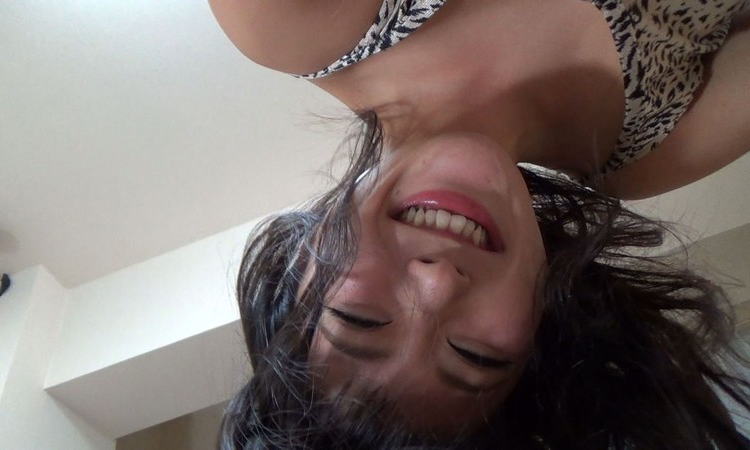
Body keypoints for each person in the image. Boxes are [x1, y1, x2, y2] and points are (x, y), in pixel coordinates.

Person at [206, 1, 750, 447]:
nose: (437, 282)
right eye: (475, 356)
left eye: (358, 319)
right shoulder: (660, 144)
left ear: (301, 266)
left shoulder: (284, 17)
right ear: (540, 327)